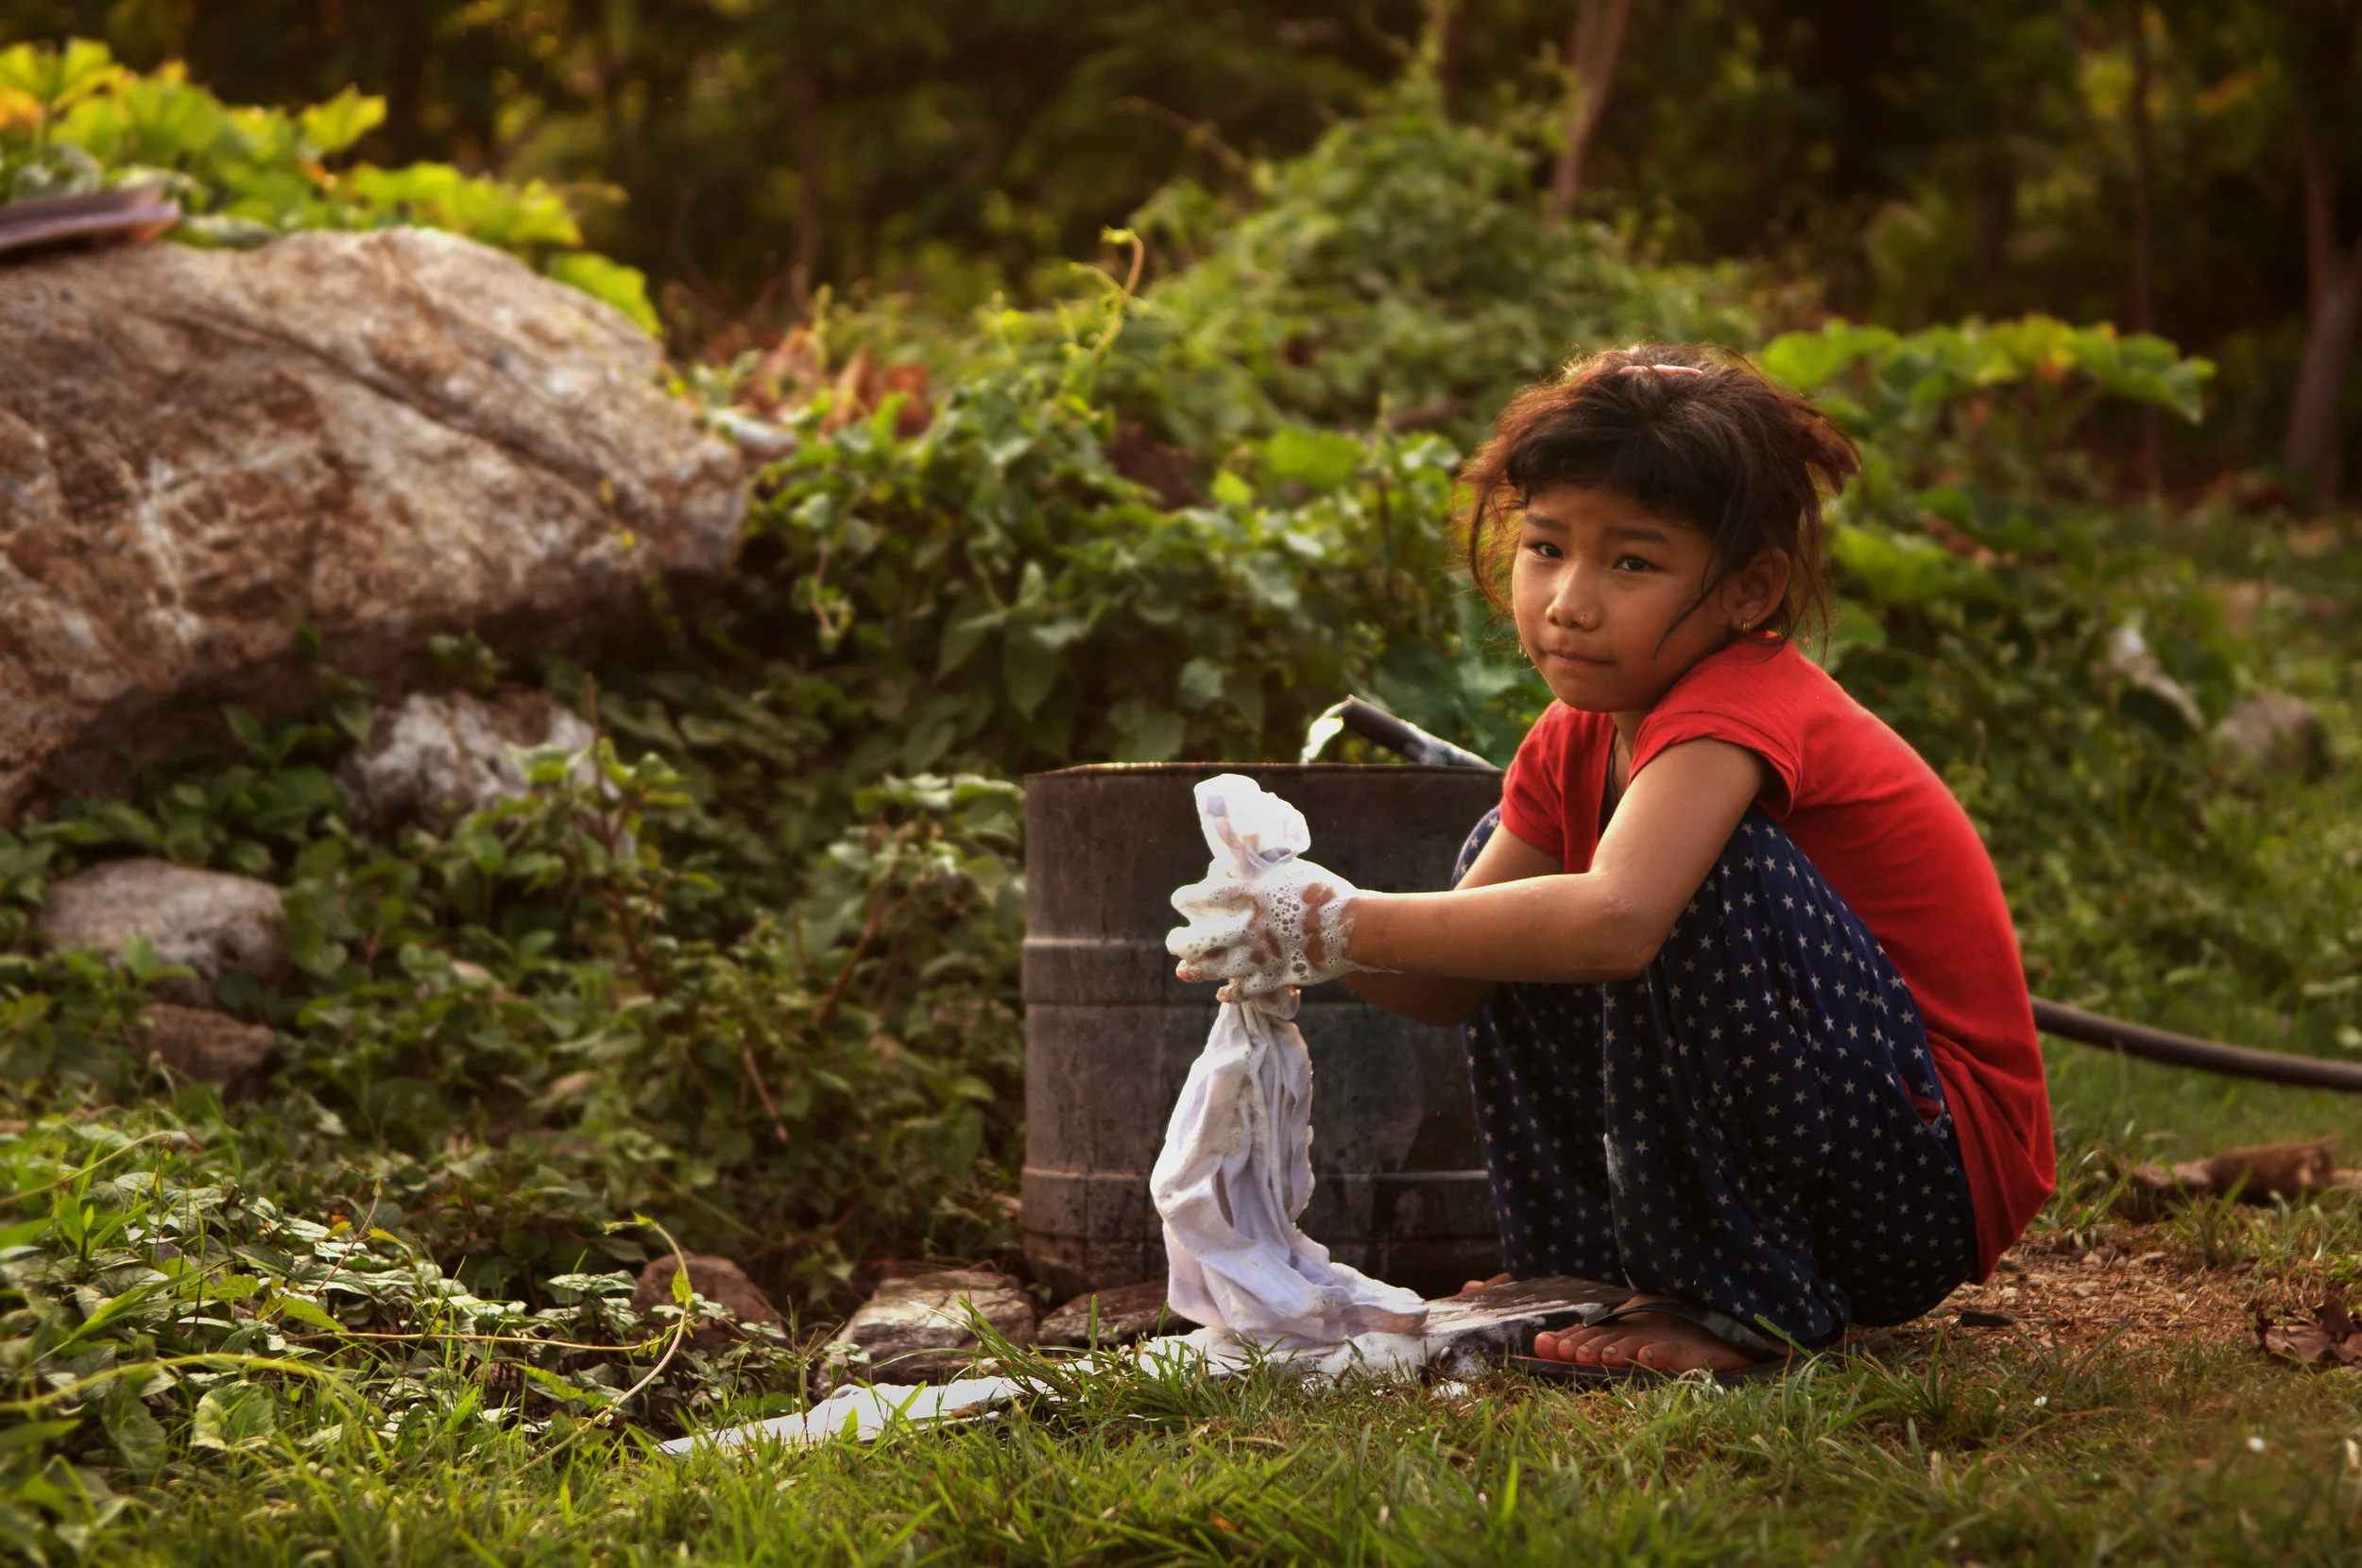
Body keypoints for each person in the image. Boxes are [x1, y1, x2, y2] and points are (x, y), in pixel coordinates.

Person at [1167, 344, 2054, 1376]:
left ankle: (1746, 1306)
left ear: (1749, 587)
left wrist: (1339, 917)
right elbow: (1453, 984)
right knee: (1493, 890)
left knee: (1662, 886)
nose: (1568, 600)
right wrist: (1286, 935)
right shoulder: (1574, 736)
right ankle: (1593, 1268)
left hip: (1921, 1174)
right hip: (1843, 1151)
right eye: (1546, 547)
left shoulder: (1741, 700)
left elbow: (1618, 920)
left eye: (1632, 562)